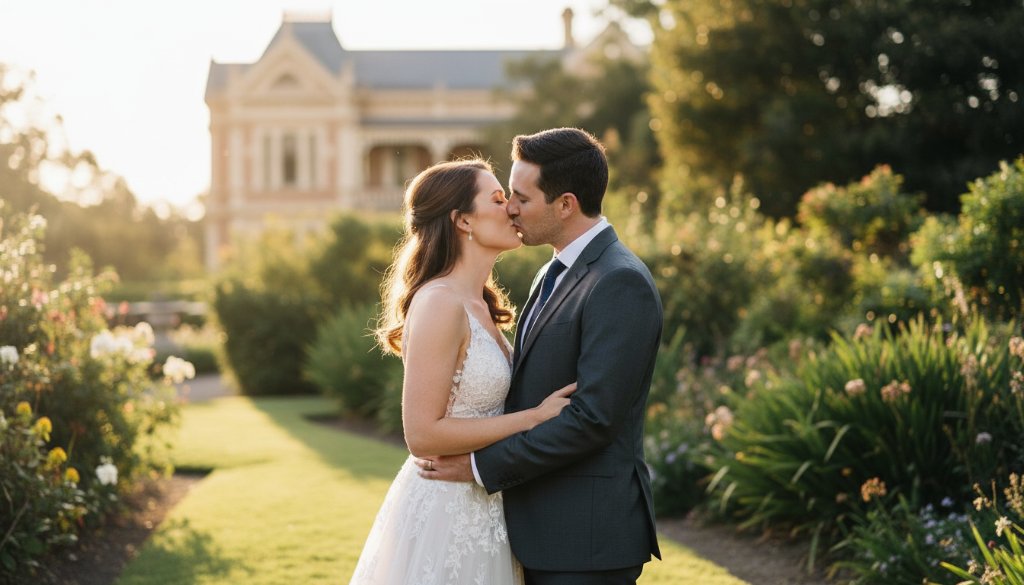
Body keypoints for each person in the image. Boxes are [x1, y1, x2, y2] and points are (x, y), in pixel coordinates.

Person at [417, 128, 663, 585]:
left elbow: (592, 419)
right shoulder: (551, 273)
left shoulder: (618, 280)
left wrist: (477, 467)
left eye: (521, 197)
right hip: (535, 529)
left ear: (565, 204)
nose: (510, 207)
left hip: (585, 539)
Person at [349, 159, 577, 585]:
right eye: (498, 199)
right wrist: (532, 418)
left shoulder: (480, 305)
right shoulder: (440, 302)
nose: (512, 208)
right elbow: (422, 434)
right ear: (463, 220)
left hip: (487, 502)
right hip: (446, 510)